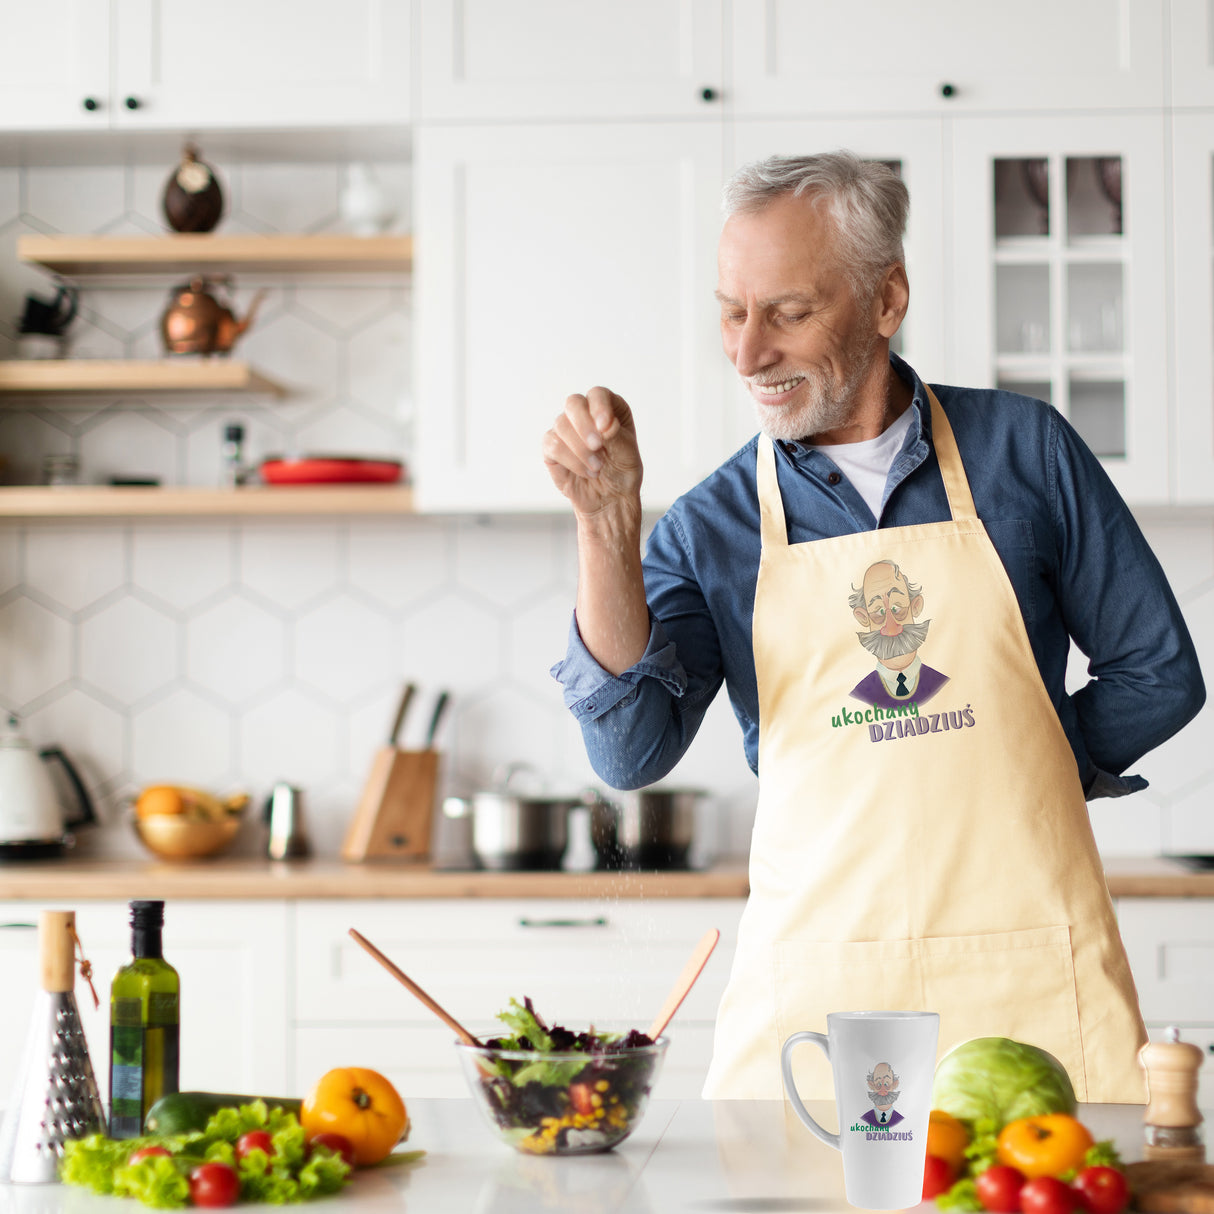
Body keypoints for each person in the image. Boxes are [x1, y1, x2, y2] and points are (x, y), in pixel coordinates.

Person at [541, 151, 1205, 1101]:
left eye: (788, 312)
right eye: (731, 311)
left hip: (1027, 971)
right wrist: (607, 527)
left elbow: (1158, 673)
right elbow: (628, 752)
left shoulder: (1025, 451)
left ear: (886, 299)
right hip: (821, 993)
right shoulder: (712, 524)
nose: (747, 354)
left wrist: (1020, 773)